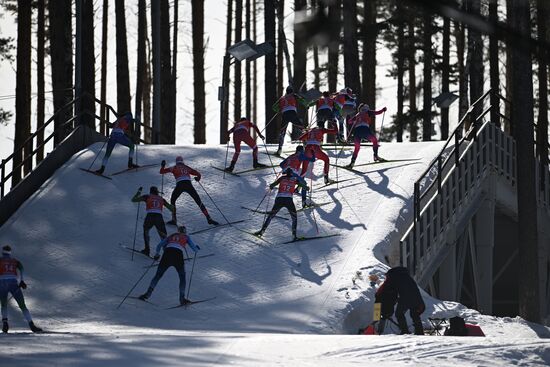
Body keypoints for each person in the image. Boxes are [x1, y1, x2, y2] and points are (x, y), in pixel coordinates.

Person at [139, 226, 200, 305]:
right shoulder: (186, 237)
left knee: (158, 275)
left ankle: (147, 294)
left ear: (178, 231)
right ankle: (182, 299)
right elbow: (195, 249)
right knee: (182, 277)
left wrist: (157, 254)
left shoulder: (172, 236)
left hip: (167, 254)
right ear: (185, 232)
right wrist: (197, 248)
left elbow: (159, 245)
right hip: (178, 256)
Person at [160, 156, 219, 226]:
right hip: (188, 185)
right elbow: (198, 174)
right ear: (182, 161)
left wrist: (162, 166)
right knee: (198, 201)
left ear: (176, 162)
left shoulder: (174, 167)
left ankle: (174, 220)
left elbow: (162, 172)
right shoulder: (186, 167)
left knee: (173, 200)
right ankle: (209, 218)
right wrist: (198, 178)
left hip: (180, 185)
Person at [254, 168, 309, 240]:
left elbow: (272, 185)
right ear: (292, 173)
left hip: (279, 199)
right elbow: (304, 186)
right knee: (294, 218)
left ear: (286, 173)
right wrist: (307, 188)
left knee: (271, 216)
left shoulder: (282, 178)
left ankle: (262, 231)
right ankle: (294, 235)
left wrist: (271, 186)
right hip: (288, 200)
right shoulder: (295, 179)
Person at [370, 266, 425, 335]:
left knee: (399, 314)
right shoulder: (406, 276)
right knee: (414, 314)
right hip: (416, 297)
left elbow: (387, 288)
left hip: (405, 297)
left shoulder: (392, 277)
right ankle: (420, 332)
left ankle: (405, 331)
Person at [0, 245, 42, 333]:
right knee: (22, 305)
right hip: (13, 283)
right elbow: (21, 269)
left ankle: (5, 323)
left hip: (2, 283)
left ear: (3, 252)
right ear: (10, 252)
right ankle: (31, 324)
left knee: (4, 304)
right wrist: (22, 281)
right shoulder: (14, 261)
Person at [131, 186, 175, 256]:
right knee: (163, 235)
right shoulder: (161, 199)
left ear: (150, 191)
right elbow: (171, 209)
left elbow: (134, 200)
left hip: (150, 216)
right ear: (157, 192)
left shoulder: (147, 196)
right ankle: (167, 253)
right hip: (159, 217)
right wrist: (172, 206)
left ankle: (147, 250)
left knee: (146, 232)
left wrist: (139, 192)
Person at [345, 104, 387, 169]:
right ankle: (375, 156)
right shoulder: (368, 112)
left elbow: (349, 122)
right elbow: (378, 112)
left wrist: (348, 118)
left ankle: (352, 163)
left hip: (357, 131)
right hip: (365, 129)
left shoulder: (357, 115)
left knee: (357, 148)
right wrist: (383, 110)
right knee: (374, 140)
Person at [272, 86, 309, 156]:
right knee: (301, 128)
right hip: (292, 113)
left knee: (282, 131)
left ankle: (279, 149)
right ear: (292, 91)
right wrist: (307, 105)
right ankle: (306, 145)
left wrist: (279, 110)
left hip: (285, 114)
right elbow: (302, 100)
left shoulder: (282, 98)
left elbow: (274, 107)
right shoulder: (294, 95)